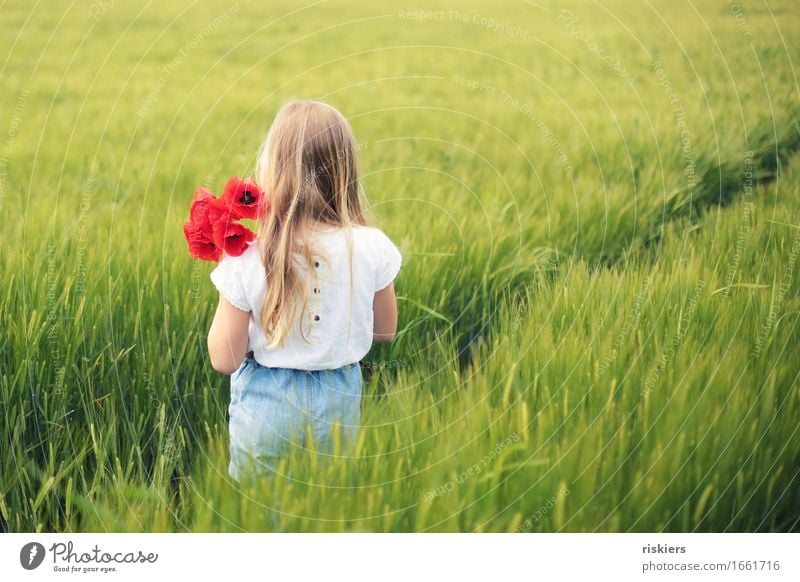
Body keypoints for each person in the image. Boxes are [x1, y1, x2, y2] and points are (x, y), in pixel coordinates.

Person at [206, 100, 402, 483]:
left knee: (259, 516)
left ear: (273, 169)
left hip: (265, 409)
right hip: (338, 407)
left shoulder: (247, 254)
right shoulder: (372, 245)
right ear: (345, 170)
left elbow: (223, 359)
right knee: (326, 511)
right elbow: (385, 331)